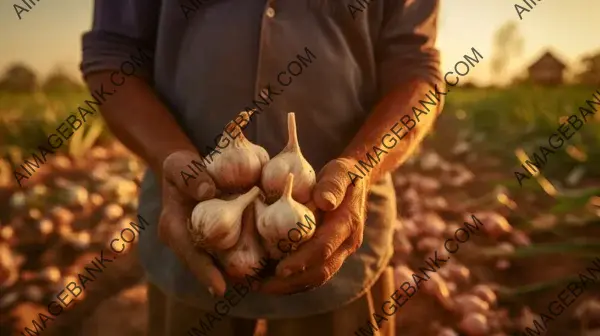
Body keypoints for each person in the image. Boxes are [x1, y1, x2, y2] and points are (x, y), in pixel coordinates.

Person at [80, 0, 445, 335]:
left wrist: (360, 165)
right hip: (187, 236)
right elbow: (112, 56)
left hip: (340, 239)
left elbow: (416, 69)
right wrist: (169, 156)